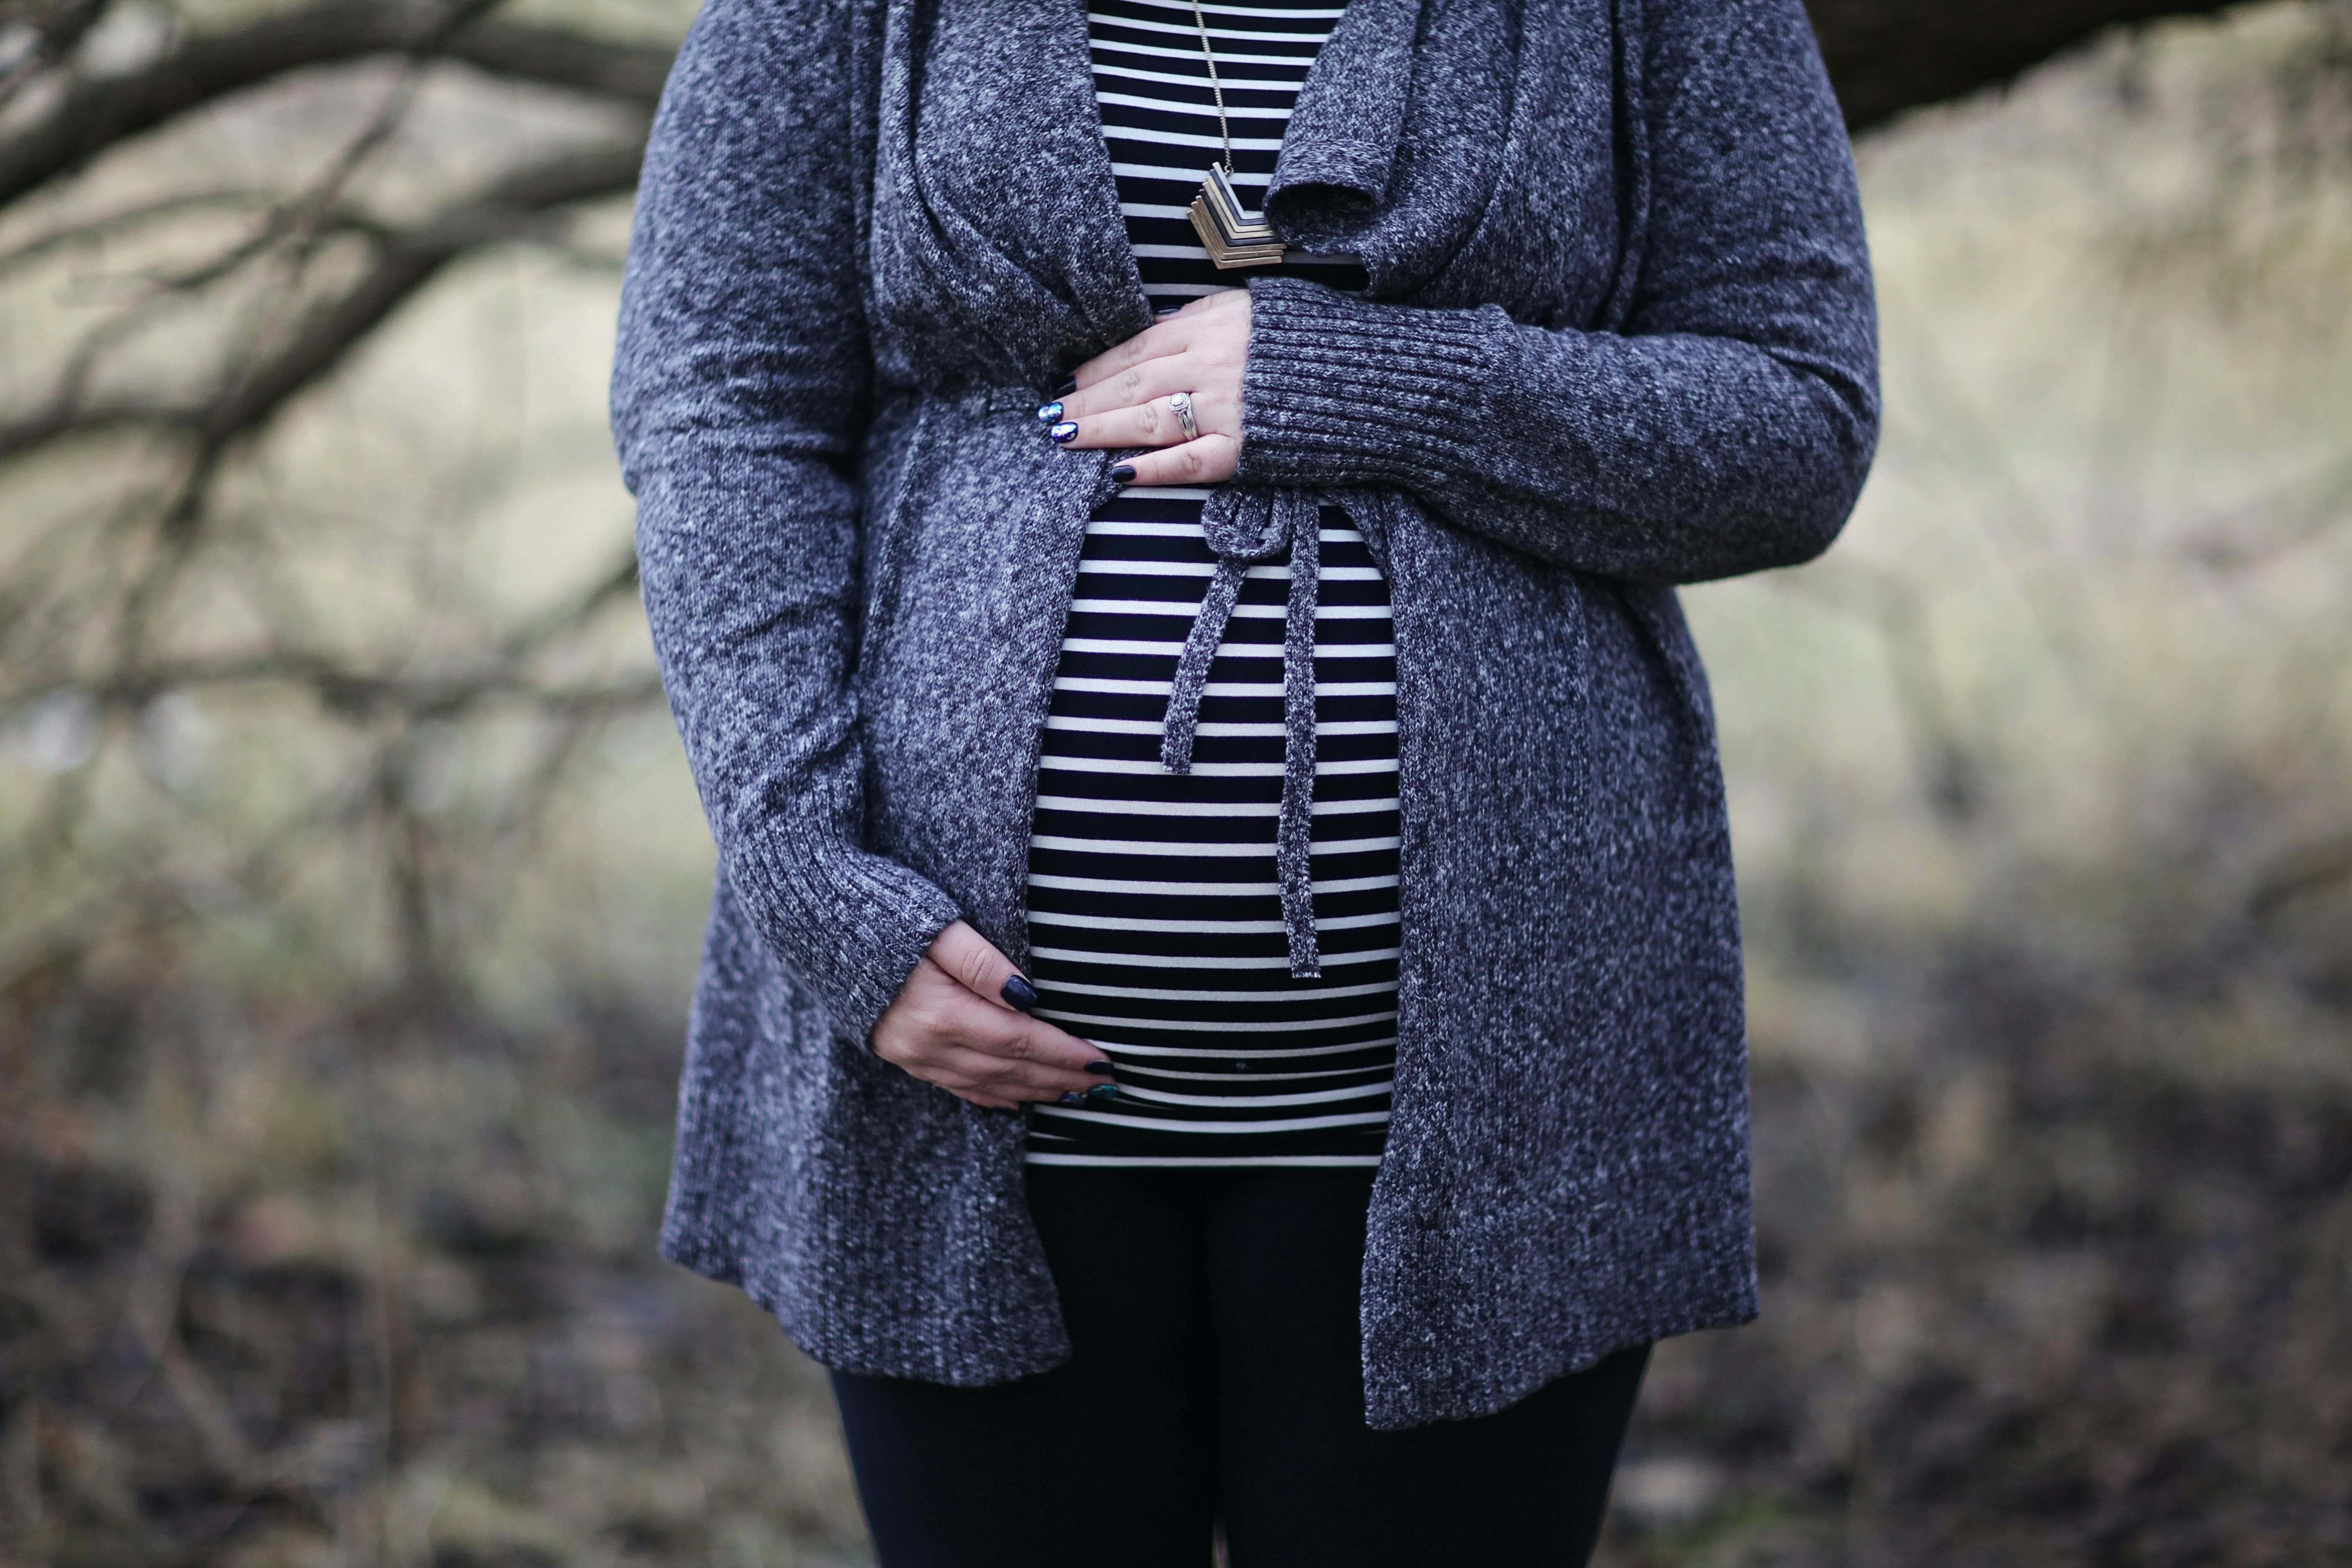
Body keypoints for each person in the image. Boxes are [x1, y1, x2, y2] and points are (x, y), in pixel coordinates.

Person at [609, 0, 1877, 1560]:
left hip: (1493, 1096)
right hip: (951, 1084)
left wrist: (1370, 382)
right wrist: (804, 866)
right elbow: (718, 397)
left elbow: (1797, 421)